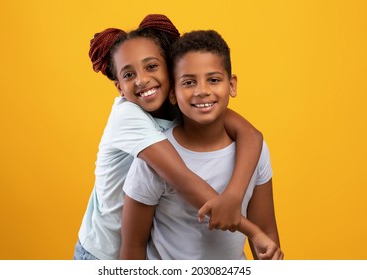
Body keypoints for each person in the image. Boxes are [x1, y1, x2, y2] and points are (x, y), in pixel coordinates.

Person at [74, 15, 264, 260]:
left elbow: (251, 134)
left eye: (151, 66)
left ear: (170, 70)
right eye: (129, 75)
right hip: (102, 254)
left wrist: (234, 195)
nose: (142, 80)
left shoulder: (184, 103)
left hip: (146, 249)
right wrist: (253, 231)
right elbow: (181, 178)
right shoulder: (127, 115)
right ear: (120, 87)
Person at [120, 30, 283, 260]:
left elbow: (266, 231)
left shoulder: (255, 150)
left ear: (232, 85)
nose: (202, 91)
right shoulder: (154, 158)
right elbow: (133, 247)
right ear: (173, 93)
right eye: (188, 82)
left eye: (214, 80)